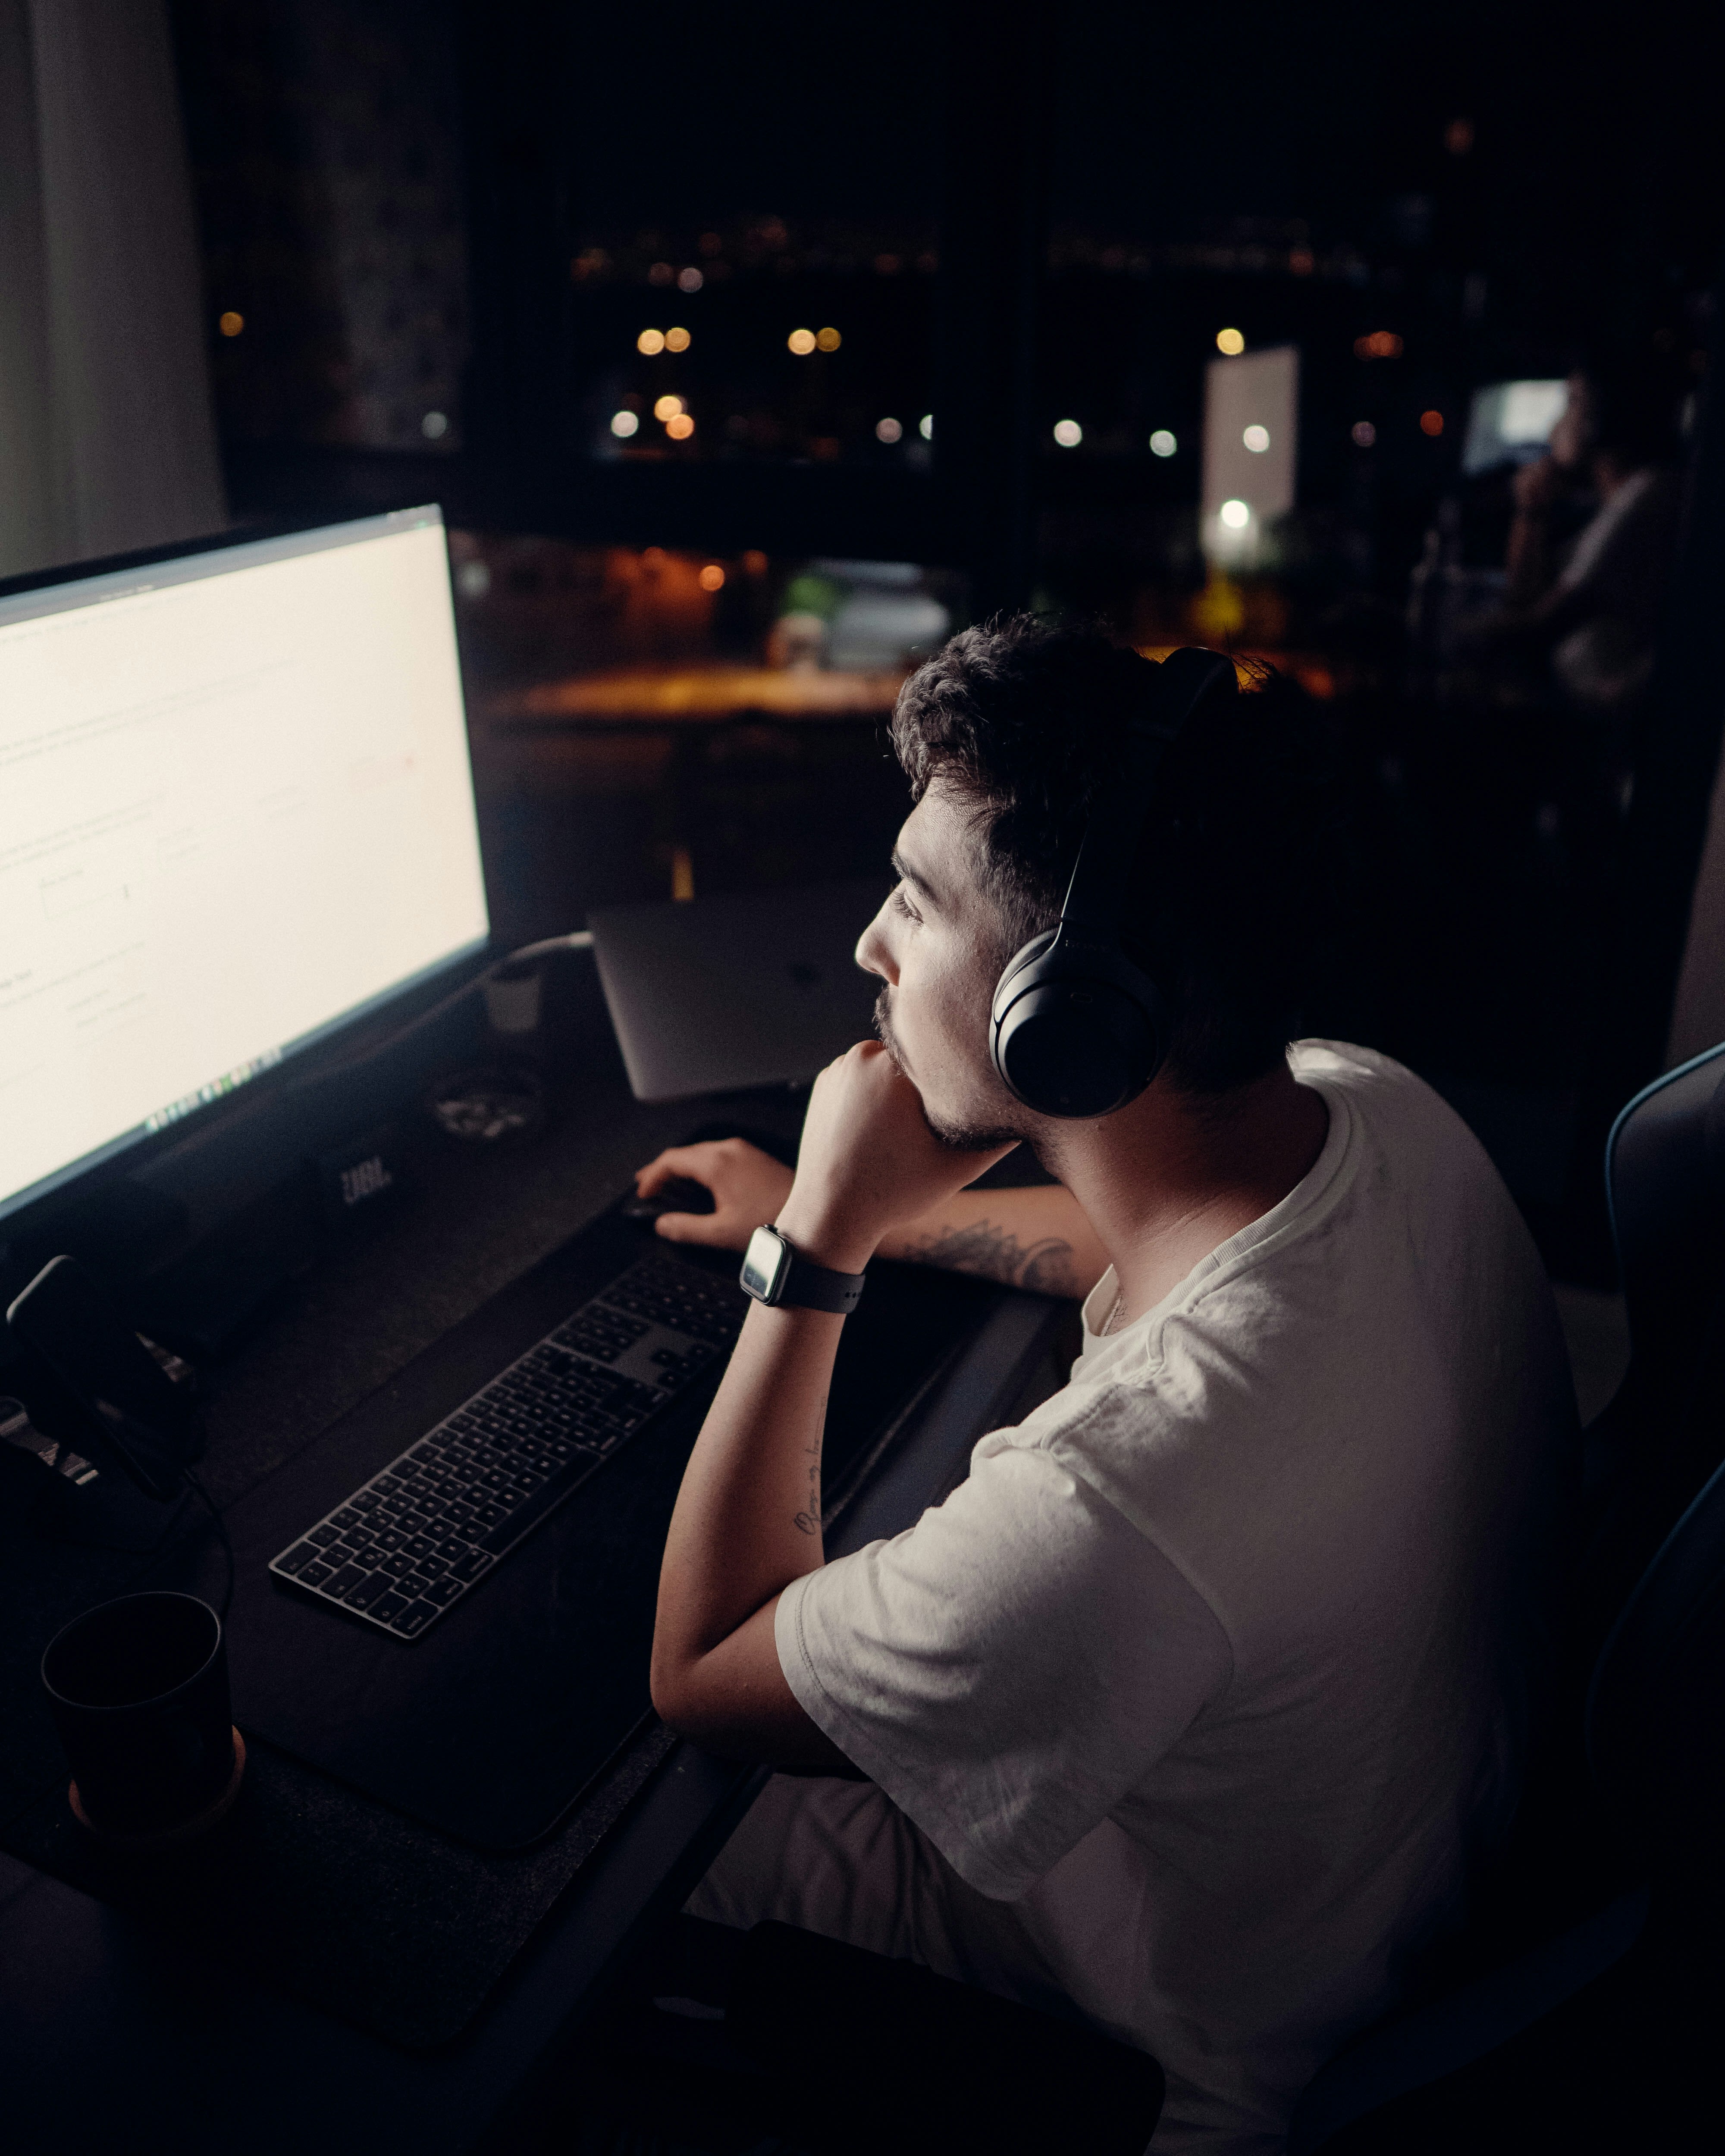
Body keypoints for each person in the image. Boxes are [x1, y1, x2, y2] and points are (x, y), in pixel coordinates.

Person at [637, 617, 1575, 2153]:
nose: (870, 942)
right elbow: (1129, 1235)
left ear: (1065, 1017)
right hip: (1385, 1881)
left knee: (627, 1839)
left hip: (1161, 2038)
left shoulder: (1115, 1506)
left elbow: (706, 1660)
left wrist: (815, 1243)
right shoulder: (1376, 1108)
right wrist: (891, 1206)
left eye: (916, 901)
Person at [1490, 361, 1684, 727]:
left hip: (1606, 726)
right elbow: (1523, 596)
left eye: (1572, 403)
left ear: (1599, 420)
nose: (1555, 426)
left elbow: (1541, 623)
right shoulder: (1615, 500)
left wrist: (1456, 632)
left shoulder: (1647, 493)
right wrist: (1531, 514)